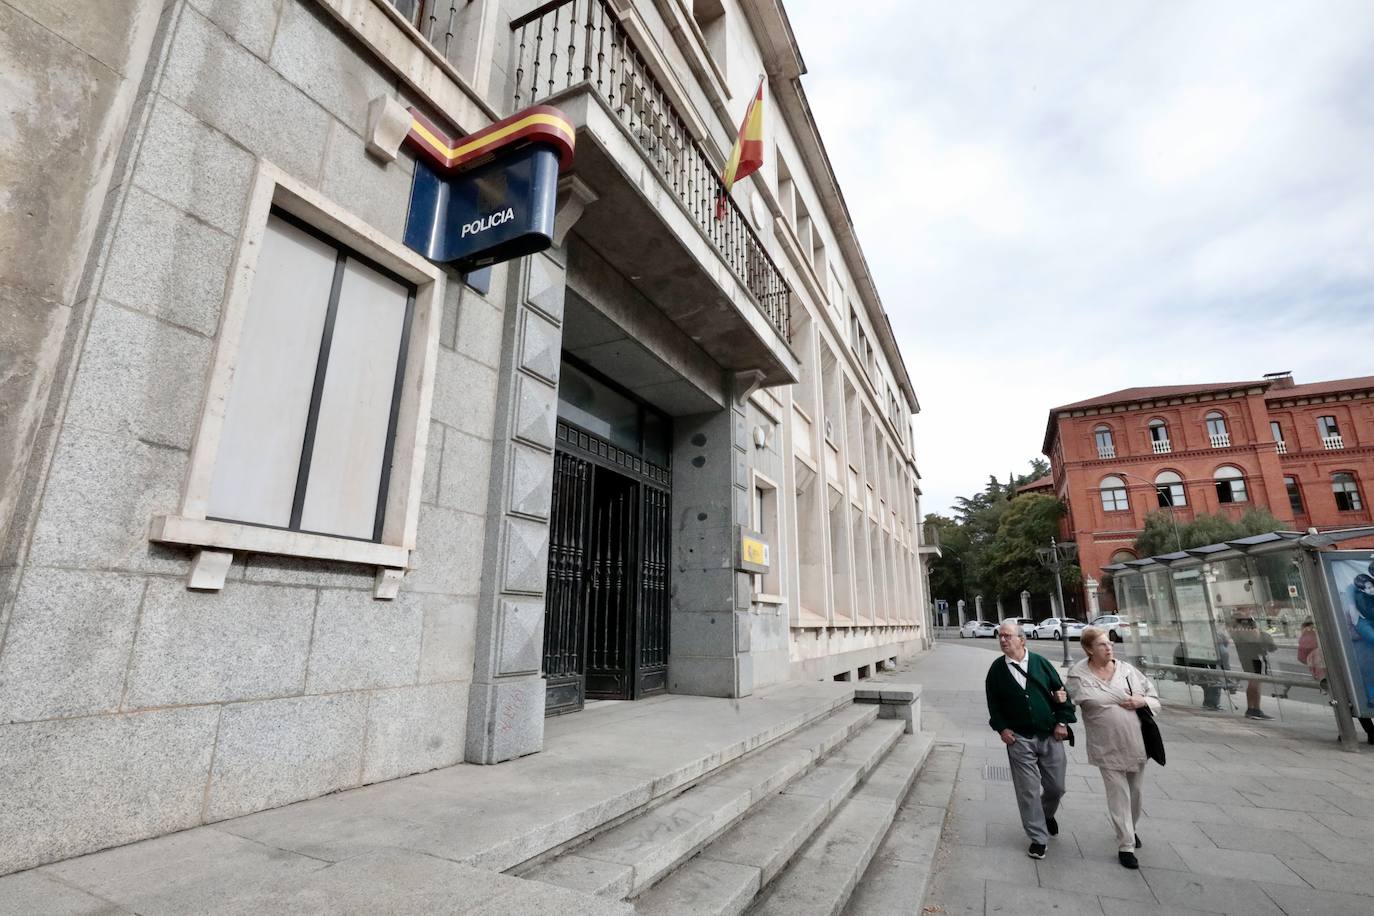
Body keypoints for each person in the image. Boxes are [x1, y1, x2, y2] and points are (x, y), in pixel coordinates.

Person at [1066, 626, 1161, 870]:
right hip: (1106, 745)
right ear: (1089, 649)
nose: (1109, 647)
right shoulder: (1078, 675)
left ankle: (1132, 827)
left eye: (1109, 643)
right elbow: (1076, 700)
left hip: (1136, 742)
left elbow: (1153, 697)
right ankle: (1126, 845)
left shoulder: (1128, 671)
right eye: (1102, 644)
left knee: (1136, 793)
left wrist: (1141, 701)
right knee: (1118, 795)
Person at [984, 619, 1077, 860]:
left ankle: (1046, 815)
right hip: (1019, 738)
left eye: (1008, 636)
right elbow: (993, 705)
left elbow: (1062, 694)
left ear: (1021, 640)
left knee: (1056, 787)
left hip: (1050, 734)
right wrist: (1002, 729)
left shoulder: (1041, 664)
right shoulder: (996, 670)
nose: (1003, 640)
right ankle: (1038, 837)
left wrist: (1062, 722)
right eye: (1001, 636)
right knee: (1028, 790)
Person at [1229, 611, 1276, 719]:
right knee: (1255, 682)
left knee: (1253, 681)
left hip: (1246, 657)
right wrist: (1254, 626)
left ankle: (1252, 708)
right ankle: (1255, 709)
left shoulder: (1236, 630)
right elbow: (1256, 636)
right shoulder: (1246, 631)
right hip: (1253, 657)